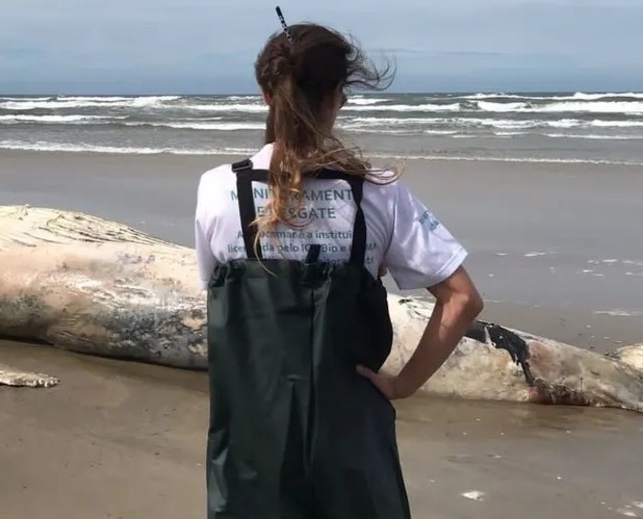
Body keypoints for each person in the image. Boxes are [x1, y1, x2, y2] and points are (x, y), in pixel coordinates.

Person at [193, 9, 484, 519]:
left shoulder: (219, 189)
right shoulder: (378, 191)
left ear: (266, 94)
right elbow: (462, 299)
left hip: (252, 439)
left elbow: (215, 292)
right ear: (337, 99)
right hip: (351, 444)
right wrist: (403, 385)